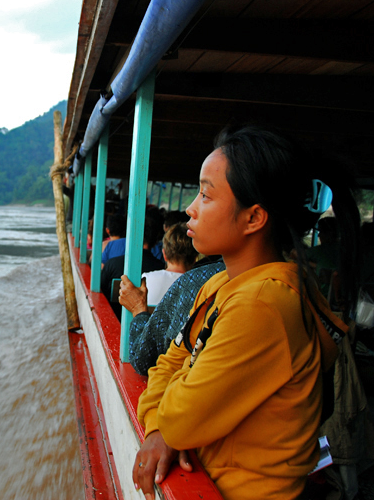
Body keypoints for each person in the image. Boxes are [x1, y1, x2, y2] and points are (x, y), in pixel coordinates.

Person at [132, 126, 359, 500]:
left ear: (254, 218)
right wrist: (159, 427)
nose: (190, 208)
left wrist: (166, 422)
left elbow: (180, 417)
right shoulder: (218, 284)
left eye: (206, 195)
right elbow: (166, 362)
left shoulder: (262, 305)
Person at [122, 255, 225, 375]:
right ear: (193, 258)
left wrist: (138, 309)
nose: (189, 234)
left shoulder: (194, 281)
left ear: (164, 254)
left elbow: (144, 358)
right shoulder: (206, 279)